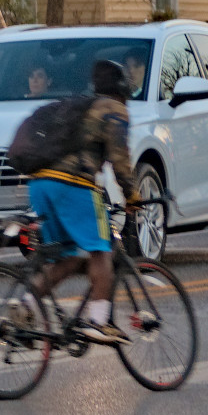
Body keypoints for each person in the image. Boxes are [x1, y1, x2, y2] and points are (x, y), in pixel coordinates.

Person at [27, 59, 137, 345]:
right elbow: (120, 159)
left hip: (40, 184)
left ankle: (24, 306)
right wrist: (132, 195)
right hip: (73, 185)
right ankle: (98, 321)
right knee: (101, 251)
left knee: (69, 256)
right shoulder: (114, 110)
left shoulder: (80, 107)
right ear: (122, 91)